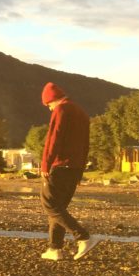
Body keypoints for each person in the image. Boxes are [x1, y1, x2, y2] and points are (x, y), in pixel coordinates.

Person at [39, 82, 94, 260]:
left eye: (48, 105)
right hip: (74, 168)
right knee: (59, 208)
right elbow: (86, 145)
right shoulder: (82, 113)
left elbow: (53, 140)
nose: (49, 109)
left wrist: (45, 165)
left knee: (49, 204)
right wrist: (80, 172)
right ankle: (55, 249)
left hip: (61, 166)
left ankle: (84, 237)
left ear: (52, 100)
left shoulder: (61, 110)